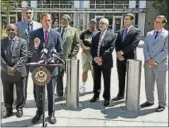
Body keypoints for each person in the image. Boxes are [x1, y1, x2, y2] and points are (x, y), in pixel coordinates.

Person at [30, 13, 63, 124]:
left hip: (51, 69)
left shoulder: (57, 34)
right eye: (45, 21)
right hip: (38, 70)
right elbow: (30, 51)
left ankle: (51, 113)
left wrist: (54, 58)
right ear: (41, 21)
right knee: (38, 93)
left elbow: (60, 51)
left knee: (50, 93)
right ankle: (39, 112)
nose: (48, 23)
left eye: (49, 20)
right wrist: (35, 46)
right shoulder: (34, 33)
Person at [141, 15, 168, 112]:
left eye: (158, 22)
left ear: (163, 23)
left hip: (160, 64)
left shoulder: (167, 34)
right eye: (155, 21)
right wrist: (148, 59)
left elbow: (166, 50)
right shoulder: (149, 34)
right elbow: (145, 48)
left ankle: (161, 104)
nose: (155, 23)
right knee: (148, 84)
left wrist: (155, 60)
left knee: (161, 85)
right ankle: (150, 100)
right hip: (148, 63)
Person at [16, 6, 42, 104]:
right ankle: (21, 103)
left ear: (33, 14)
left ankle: (38, 100)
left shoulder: (39, 25)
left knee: (37, 78)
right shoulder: (18, 25)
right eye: (26, 13)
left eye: (30, 13)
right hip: (23, 56)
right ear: (23, 14)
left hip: (36, 56)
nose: (28, 14)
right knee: (23, 80)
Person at [113, 13, 141, 101]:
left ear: (132, 20)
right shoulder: (120, 31)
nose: (125, 20)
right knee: (121, 77)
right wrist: (118, 53)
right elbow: (117, 43)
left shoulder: (136, 31)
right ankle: (120, 94)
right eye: (124, 19)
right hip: (119, 59)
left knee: (131, 78)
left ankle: (131, 96)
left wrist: (121, 52)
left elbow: (133, 45)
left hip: (130, 59)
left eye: (127, 19)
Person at [1, 24, 28, 118]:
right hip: (6, 72)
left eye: (12, 29)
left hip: (19, 72)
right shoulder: (2, 42)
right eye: (8, 30)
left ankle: (19, 108)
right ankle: (8, 109)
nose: (10, 31)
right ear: (6, 31)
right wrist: (7, 68)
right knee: (7, 92)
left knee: (20, 91)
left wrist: (15, 68)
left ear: (16, 31)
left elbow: (24, 57)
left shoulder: (23, 41)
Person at [90, 18, 116, 106]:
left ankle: (106, 98)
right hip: (95, 62)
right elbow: (92, 48)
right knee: (96, 80)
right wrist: (95, 58)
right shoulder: (95, 35)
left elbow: (110, 49)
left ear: (107, 25)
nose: (101, 25)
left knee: (106, 81)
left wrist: (101, 58)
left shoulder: (112, 36)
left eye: (103, 23)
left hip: (106, 62)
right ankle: (96, 95)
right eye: (100, 23)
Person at [56, 14, 80, 98]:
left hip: (69, 58)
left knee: (70, 77)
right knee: (58, 76)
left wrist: (72, 56)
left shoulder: (74, 30)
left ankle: (68, 92)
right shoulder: (56, 31)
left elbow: (76, 44)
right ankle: (59, 93)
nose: (63, 21)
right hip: (58, 59)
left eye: (65, 19)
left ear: (68, 21)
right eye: (62, 19)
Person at [79, 19, 97, 94]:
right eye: (91, 23)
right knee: (85, 70)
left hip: (94, 54)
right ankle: (83, 85)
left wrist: (90, 49)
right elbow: (80, 42)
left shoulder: (98, 33)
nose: (92, 25)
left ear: (95, 25)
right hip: (85, 54)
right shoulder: (84, 33)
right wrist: (85, 49)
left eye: (94, 23)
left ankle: (96, 87)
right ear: (88, 24)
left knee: (95, 71)